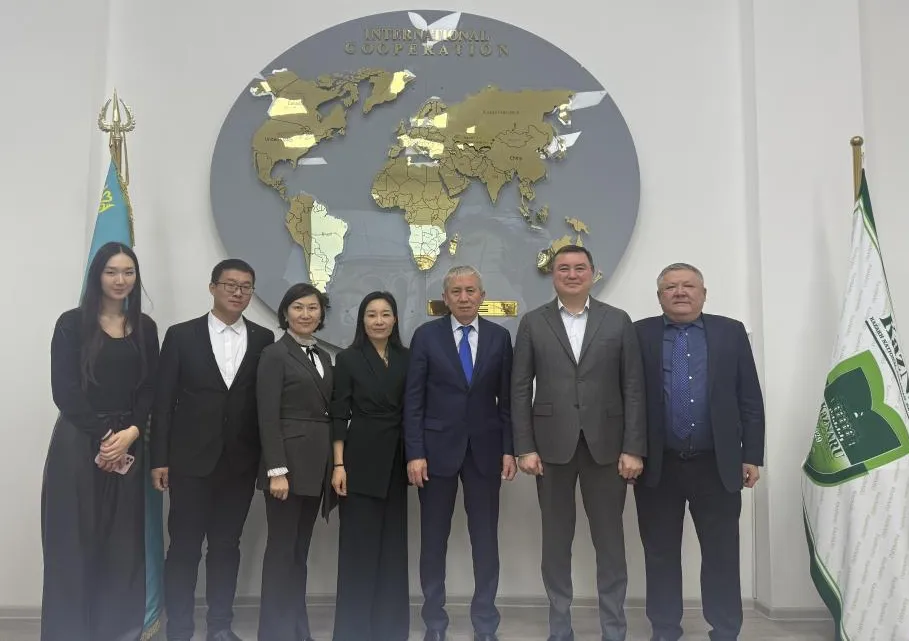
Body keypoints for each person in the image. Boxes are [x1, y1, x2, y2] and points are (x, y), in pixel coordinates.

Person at [511, 244, 646, 641]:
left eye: (579, 268)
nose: (572, 274)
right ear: (553, 275)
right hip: (550, 449)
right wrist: (524, 446)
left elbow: (633, 388)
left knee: (610, 542)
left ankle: (614, 629)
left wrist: (633, 447)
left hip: (608, 447)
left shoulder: (618, 321)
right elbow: (520, 389)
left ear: (593, 273)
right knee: (556, 542)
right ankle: (560, 628)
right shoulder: (533, 323)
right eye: (564, 268)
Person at [633, 263, 764, 641]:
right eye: (670, 287)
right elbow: (627, 398)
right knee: (659, 553)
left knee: (721, 553)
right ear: (659, 296)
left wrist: (752, 455)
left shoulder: (730, 332)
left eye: (688, 286)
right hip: (658, 465)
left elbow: (749, 397)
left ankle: (725, 630)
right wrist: (630, 451)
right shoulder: (639, 334)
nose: (680, 292)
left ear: (703, 294)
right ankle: (664, 629)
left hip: (717, 464)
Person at [150, 259, 274, 641]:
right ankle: (180, 629)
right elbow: (163, 402)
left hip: (239, 464)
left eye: (246, 286)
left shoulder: (264, 338)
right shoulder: (181, 335)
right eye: (230, 284)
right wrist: (159, 459)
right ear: (212, 288)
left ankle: (220, 627)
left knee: (226, 547)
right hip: (189, 462)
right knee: (184, 549)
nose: (238, 292)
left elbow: (264, 404)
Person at [41, 241, 159, 641]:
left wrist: (132, 432)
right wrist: (106, 436)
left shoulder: (145, 328)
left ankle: (118, 632)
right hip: (79, 443)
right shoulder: (71, 324)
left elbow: (150, 388)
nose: (120, 280)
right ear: (97, 275)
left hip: (129, 442)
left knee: (122, 546)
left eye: (128, 272)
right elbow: (64, 390)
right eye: (112, 271)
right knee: (72, 543)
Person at [404, 265, 516, 641]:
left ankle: (485, 623)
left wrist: (509, 449)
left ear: (482, 295)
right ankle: (434, 622)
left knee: (485, 541)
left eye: (471, 291)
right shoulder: (426, 336)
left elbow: (507, 402)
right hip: (435, 454)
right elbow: (413, 401)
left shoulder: (500, 337)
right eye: (457, 292)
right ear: (445, 298)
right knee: (433, 541)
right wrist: (414, 453)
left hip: (485, 452)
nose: (464, 298)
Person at [256, 283, 335, 641]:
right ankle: (274, 633)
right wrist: (276, 470)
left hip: (315, 469)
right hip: (286, 470)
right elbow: (267, 415)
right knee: (280, 553)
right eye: (298, 307)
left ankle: (297, 629)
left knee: (298, 553)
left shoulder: (324, 357)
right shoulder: (275, 354)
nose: (306, 314)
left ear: (321, 314)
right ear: (285, 312)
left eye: (313, 308)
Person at [331, 291, 410, 641]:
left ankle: (390, 630)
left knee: (392, 548)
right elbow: (339, 413)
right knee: (358, 549)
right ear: (361, 320)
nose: (379, 321)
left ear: (395, 319)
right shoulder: (348, 359)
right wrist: (338, 464)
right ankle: (353, 632)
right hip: (359, 460)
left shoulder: (408, 358)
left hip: (397, 461)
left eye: (385, 314)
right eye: (372, 314)